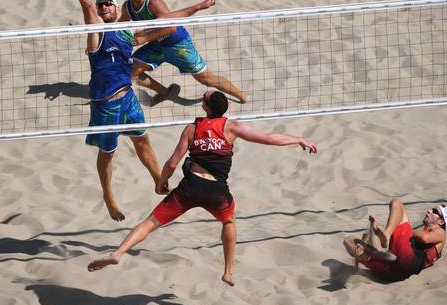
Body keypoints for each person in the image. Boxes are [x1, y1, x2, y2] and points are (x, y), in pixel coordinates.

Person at [86, 90, 317, 286]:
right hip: (217, 192)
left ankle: (118, 253)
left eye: (203, 99)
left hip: (190, 187)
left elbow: (173, 162)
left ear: (206, 108)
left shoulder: (192, 128)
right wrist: (297, 139)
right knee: (228, 222)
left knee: (149, 223)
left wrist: (160, 182)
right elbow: (268, 138)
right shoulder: (232, 127)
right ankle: (228, 271)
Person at [72, 0, 176, 222]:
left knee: (142, 139)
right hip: (105, 103)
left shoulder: (128, 33)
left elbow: (167, 21)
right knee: (107, 154)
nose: (104, 7)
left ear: (118, 10)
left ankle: (158, 181)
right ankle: (108, 196)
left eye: (108, 3)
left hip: (127, 98)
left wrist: (199, 7)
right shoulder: (96, 32)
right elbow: (85, 5)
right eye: (101, 5)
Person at [119, 0, 248, 103]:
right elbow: (120, 27)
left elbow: (171, 27)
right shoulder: (127, 6)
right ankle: (166, 93)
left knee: (206, 79)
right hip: (157, 45)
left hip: (178, 45)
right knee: (131, 71)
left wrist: (144, 38)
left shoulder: (153, 2)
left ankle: (242, 96)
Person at [343, 199, 447, 282]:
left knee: (397, 203)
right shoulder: (428, 238)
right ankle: (361, 253)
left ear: (441, 222)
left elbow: (424, 238)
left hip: (409, 262)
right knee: (349, 240)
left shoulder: (440, 232)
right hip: (394, 272)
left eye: (435, 211)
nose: (429, 210)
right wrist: (374, 230)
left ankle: (385, 234)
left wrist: (394, 228)